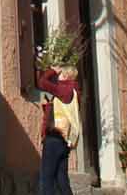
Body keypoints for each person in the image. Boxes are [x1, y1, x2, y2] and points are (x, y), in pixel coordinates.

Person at [35, 64, 78, 195]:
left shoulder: (64, 89)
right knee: (61, 180)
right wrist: (48, 107)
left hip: (55, 139)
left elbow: (42, 83)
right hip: (64, 140)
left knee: (46, 180)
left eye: (59, 74)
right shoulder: (72, 91)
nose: (57, 77)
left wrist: (52, 70)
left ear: (64, 75)